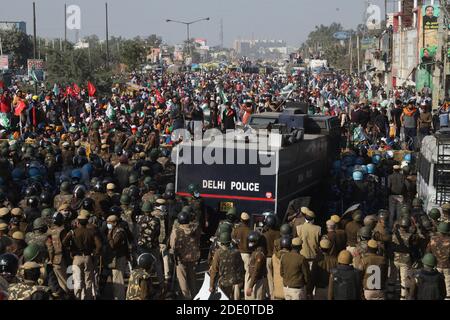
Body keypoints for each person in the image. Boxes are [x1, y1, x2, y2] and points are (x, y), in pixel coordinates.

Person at [62, 210, 102, 300]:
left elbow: (64, 242)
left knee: (77, 280)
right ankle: (88, 297)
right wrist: (94, 253)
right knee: (88, 280)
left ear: (78, 222)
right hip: (88, 257)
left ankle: (78, 297)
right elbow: (99, 245)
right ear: (87, 221)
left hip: (77, 258)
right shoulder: (91, 232)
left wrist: (71, 248)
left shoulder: (73, 232)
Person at [169, 211, 201, 300]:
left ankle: (186, 297)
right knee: (192, 278)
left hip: (180, 258)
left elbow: (172, 245)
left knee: (182, 279)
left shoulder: (176, 231)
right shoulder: (195, 229)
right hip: (193, 257)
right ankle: (195, 295)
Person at [209, 232, 244, 300]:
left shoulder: (218, 253)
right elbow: (241, 267)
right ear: (230, 241)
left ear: (221, 242)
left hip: (225, 282)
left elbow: (214, 270)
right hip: (237, 281)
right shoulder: (237, 252)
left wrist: (211, 285)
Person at [104, 215, 129, 300]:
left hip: (119, 258)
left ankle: (120, 297)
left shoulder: (119, 232)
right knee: (115, 280)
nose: (108, 224)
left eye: (109, 222)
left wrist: (109, 236)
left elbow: (113, 245)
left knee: (118, 280)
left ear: (115, 223)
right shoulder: (113, 230)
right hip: (116, 257)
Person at [426, 222, 450, 299]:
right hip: (447, 266)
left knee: (435, 285)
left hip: (435, 265)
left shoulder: (433, 239)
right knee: (448, 286)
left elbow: (427, 252)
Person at [231, 212, 251, 294]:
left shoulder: (236, 230)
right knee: (247, 275)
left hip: (237, 254)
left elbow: (232, 241)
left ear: (241, 220)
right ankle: (247, 295)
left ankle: (236, 296)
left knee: (237, 275)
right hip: (247, 255)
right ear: (248, 220)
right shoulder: (250, 231)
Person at [245, 231, 268, 300]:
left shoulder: (259, 254)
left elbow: (256, 270)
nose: (250, 244)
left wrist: (250, 286)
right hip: (254, 280)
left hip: (258, 280)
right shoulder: (255, 251)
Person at [262, 214, 280, 299]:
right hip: (276, 257)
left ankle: (271, 295)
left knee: (269, 278)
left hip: (268, 258)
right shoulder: (278, 233)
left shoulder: (265, 235)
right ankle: (276, 293)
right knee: (276, 276)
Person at [388, 165, 405, 231]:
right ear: (399, 170)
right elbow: (404, 186)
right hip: (400, 196)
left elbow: (389, 186)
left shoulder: (390, 177)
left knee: (392, 212)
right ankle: (398, 228)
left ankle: (390, 228)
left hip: (392, 196)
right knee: (399, 213)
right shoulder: (402, 176)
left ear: (393, 169)